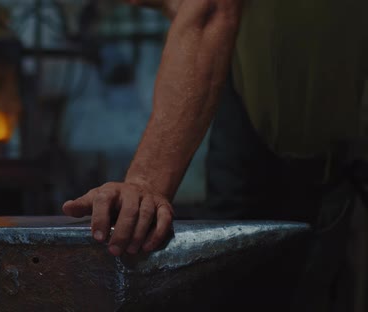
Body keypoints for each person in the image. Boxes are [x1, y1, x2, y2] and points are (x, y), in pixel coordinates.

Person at [62, 0, 368, 309]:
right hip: (253, 102)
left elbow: (210, 10)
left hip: (328, 108)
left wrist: (146, 184)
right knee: (238, 281)